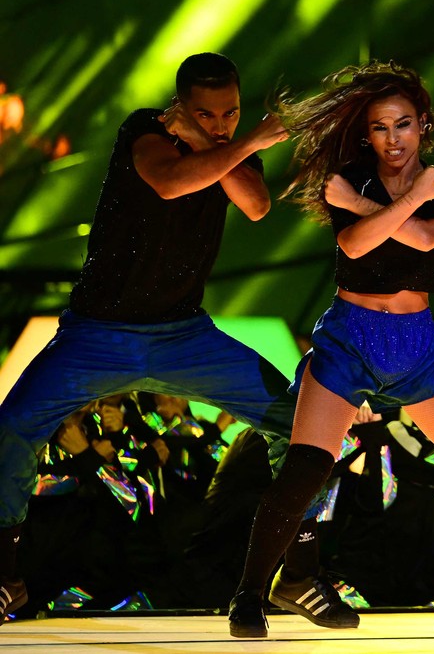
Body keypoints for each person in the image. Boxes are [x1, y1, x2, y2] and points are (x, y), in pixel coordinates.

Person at [227, 63, 434, 637]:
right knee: (305, 469)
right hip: (350, 338)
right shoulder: (357, 179)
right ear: (366, 134)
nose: (393, 138)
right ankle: (251, 595)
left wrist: (392, 204)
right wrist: (403, 201)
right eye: (380, 127)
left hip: (417, 348)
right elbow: (355, 243)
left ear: (424, 126)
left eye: (404, 125)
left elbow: (424, 239)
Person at [0, 53, 290, 623]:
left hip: (184, 334)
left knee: (294, 418)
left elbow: (256, 206)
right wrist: (248, 142)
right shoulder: (145, 129)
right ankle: (5, 575)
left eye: (230, 114)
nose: (219, 125)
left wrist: (219, 144)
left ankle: (295, 569)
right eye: (204, 115)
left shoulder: (222, 152)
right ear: (179, 105)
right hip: (99, 333)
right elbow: (168, 181)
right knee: (11, 429)